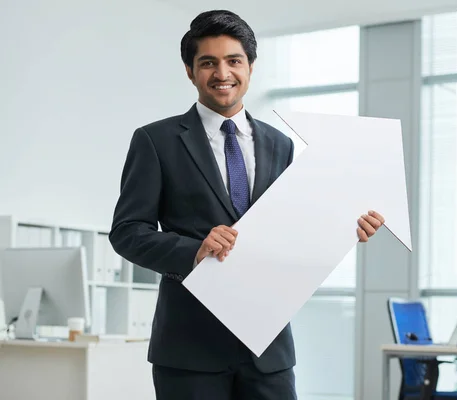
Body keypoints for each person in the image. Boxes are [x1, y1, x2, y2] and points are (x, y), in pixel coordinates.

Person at [108, 9, 385, 400]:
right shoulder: (156, 141)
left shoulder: (280, 143)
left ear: (250, 67)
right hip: (190, 347)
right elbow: (127, 233)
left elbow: (293, 231)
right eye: (208, 62)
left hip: (267, 349)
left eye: (234, 61)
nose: (222, 73)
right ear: (190, 71)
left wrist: (345, 228)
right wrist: (195, 250)